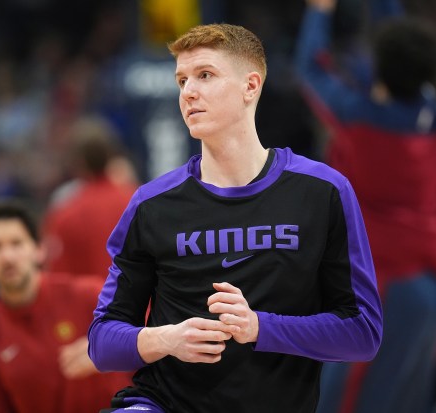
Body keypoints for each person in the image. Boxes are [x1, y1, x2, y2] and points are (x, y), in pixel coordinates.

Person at [88, 23, 383, 413]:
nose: (188, 92)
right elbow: (102, 342)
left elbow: (363, 333)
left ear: (251, 86)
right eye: (181, 80)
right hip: (163, 402)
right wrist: (167, 339)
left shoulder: (323, 191)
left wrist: (260, 327)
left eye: (205, 75)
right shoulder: (151, 204)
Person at [295, 1, 436, 412]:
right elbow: (400, 43)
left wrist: (319, 11)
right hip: (430, 291)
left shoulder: (357, 118)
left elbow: (310, 69)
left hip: (381, 288)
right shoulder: (430, 111)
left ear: (380, 67)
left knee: (340, 403)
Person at [0, 201, 133, 413]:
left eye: (16, 243)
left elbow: (157, 339)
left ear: (39, 250)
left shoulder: (92, 297)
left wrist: (114, 349)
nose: (8, 257)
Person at [42, 116, 137, 277]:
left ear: (77, 161)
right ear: (111, 155)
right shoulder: (141, 202)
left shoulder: (65, 214)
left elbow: (58, 278)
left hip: (90, 302)